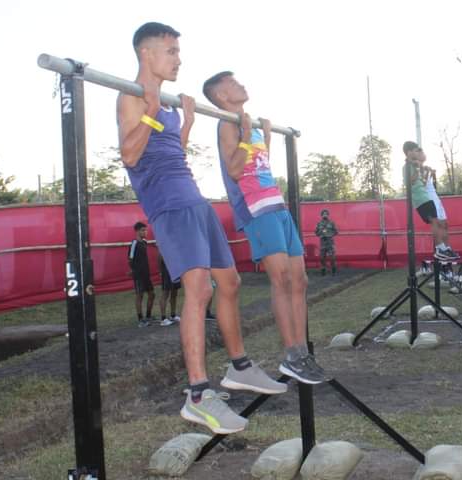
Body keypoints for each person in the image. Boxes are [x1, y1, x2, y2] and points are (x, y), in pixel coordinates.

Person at [117, 22, 286, 435]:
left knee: (229, 282)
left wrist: (186, 121)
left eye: (178, 51)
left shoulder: (166, 104)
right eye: (171, 51)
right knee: (199, 289)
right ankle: (197, 394)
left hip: (192, 196)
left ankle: (239, 367)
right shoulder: (132, 96)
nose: (178, 59)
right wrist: (152, 111)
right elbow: (130, 155)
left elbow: (169, 150)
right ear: (146, 53)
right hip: (169, 205)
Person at [203, 71, 325, 385]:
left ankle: (302, 353)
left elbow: (259, 163)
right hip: (255, 208)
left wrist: (264, 137)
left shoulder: (249, 124)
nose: (240, 84)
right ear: (222, 96)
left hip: (276, 203)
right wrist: (247, 134)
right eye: (233, 83)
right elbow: (235, 170)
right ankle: (292, 355)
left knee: (299, 280)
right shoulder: (228, 123)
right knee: (281, 278)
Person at [402, 141, 459, 262]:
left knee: (438, 222)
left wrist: (424, 170)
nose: (418, 153)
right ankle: (440, 249)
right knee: (434, 221)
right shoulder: (407, 166)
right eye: (416, 151)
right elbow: (410, 182)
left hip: (426, 198)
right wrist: (419, 170)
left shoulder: (415, 165)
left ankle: (444, 249)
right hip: (421, 199)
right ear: (409, 152)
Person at [128, 221, 155, 327]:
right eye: (143, 230)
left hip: (146, 274)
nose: (145, 232)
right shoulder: (134, 243)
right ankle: (140, 320)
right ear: (137, 231)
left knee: (152, 294)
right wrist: (133, 270)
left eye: (146, 230)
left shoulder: (144, 242)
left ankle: (148, 316)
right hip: (138, 275)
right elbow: (130, 259)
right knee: (140, 295)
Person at [158, 253, 181, 327]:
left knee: (174, 293)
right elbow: (160, 257)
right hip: (167, 271)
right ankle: (163, 319)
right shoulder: (164, 246)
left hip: (176, 270)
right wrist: (160, 271)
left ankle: (173, 315)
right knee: (165, 293)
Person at [315, 209, 338, 275]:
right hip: (323, 242)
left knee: (332, 257)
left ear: (328, 215)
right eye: (323, 214)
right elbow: (316, 232)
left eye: (326, 214)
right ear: (321, 215)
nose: (325, 215)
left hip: (330, 242)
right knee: (322, 257)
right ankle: (323, 270)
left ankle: (333, 270)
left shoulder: (331, 223)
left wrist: (329, 235)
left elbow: (336, 232)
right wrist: (321, 234)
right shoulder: (319, 223)